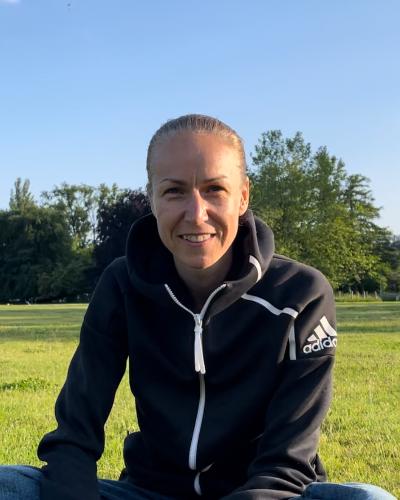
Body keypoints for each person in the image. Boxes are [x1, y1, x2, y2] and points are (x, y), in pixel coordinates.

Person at [0, 115, 396, 500]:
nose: (196, 213)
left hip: (266, 493)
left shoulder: (301, 295)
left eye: (214, 189)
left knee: (369, 497)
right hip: (150, 490)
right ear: (153, 198)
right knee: (10, 484)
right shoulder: (122, 285)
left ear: (243, 196)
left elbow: (285, 465)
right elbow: (74, 437)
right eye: (174, 191)